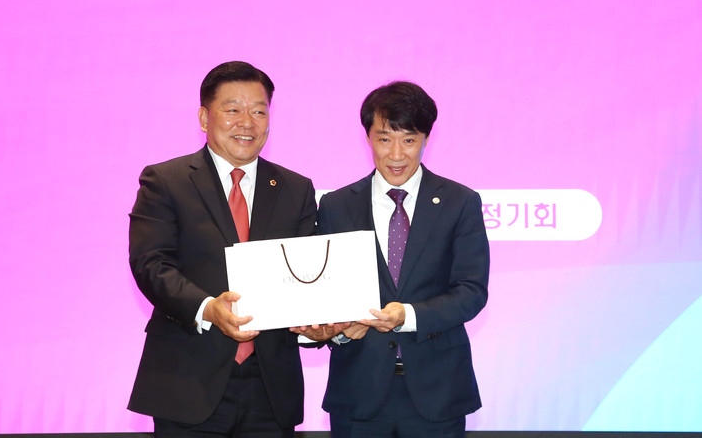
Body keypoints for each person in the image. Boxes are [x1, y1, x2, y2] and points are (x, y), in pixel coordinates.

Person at [127, 61, 317, 437]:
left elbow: (306, 275)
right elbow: (151, 263)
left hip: (270, 388)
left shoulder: (296, 189)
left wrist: (320, 321)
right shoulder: (166, 180)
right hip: (187, 382)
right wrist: (208, 308)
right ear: (204, 117)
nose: (247, 122)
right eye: (232, 110)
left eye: (259, 111)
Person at [313, 81, 490, 438]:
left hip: (437, 391)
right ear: (367, 138)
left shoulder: (460, 202)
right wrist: (339, 331)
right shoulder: (336, 206)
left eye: (409, 140)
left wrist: (406, 315)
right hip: (358, 392)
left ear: (426, 138)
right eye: (384, 139)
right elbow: (324, 295)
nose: (396, 154)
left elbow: (471, 291)